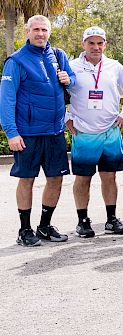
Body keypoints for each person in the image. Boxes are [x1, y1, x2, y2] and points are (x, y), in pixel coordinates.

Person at [2, 16, 76, 246]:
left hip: (55, 132)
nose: (40, 33)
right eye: (35, 29)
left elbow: (73, 81)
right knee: (27, 180)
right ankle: (24, 230)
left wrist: (69, 79)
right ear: (27, 32)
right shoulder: (17, 61)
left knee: (56, 179)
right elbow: (6, 100)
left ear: (49, 32)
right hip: (28, 134)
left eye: (44, 29)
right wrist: (11, 133)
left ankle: (44, 226)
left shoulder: (58, 55)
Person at [65, 27, 123, 239]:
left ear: (105, 45)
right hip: (83, 131)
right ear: (83, 44)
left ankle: (111, 219)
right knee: (83, 178)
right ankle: (82, 221)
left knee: (110, 176)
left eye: (100, 43)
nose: (96, 47)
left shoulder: (114, 66)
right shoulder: (71, 67)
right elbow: (58, 94)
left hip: (110, 130)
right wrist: (66, 118)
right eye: (91, 43)